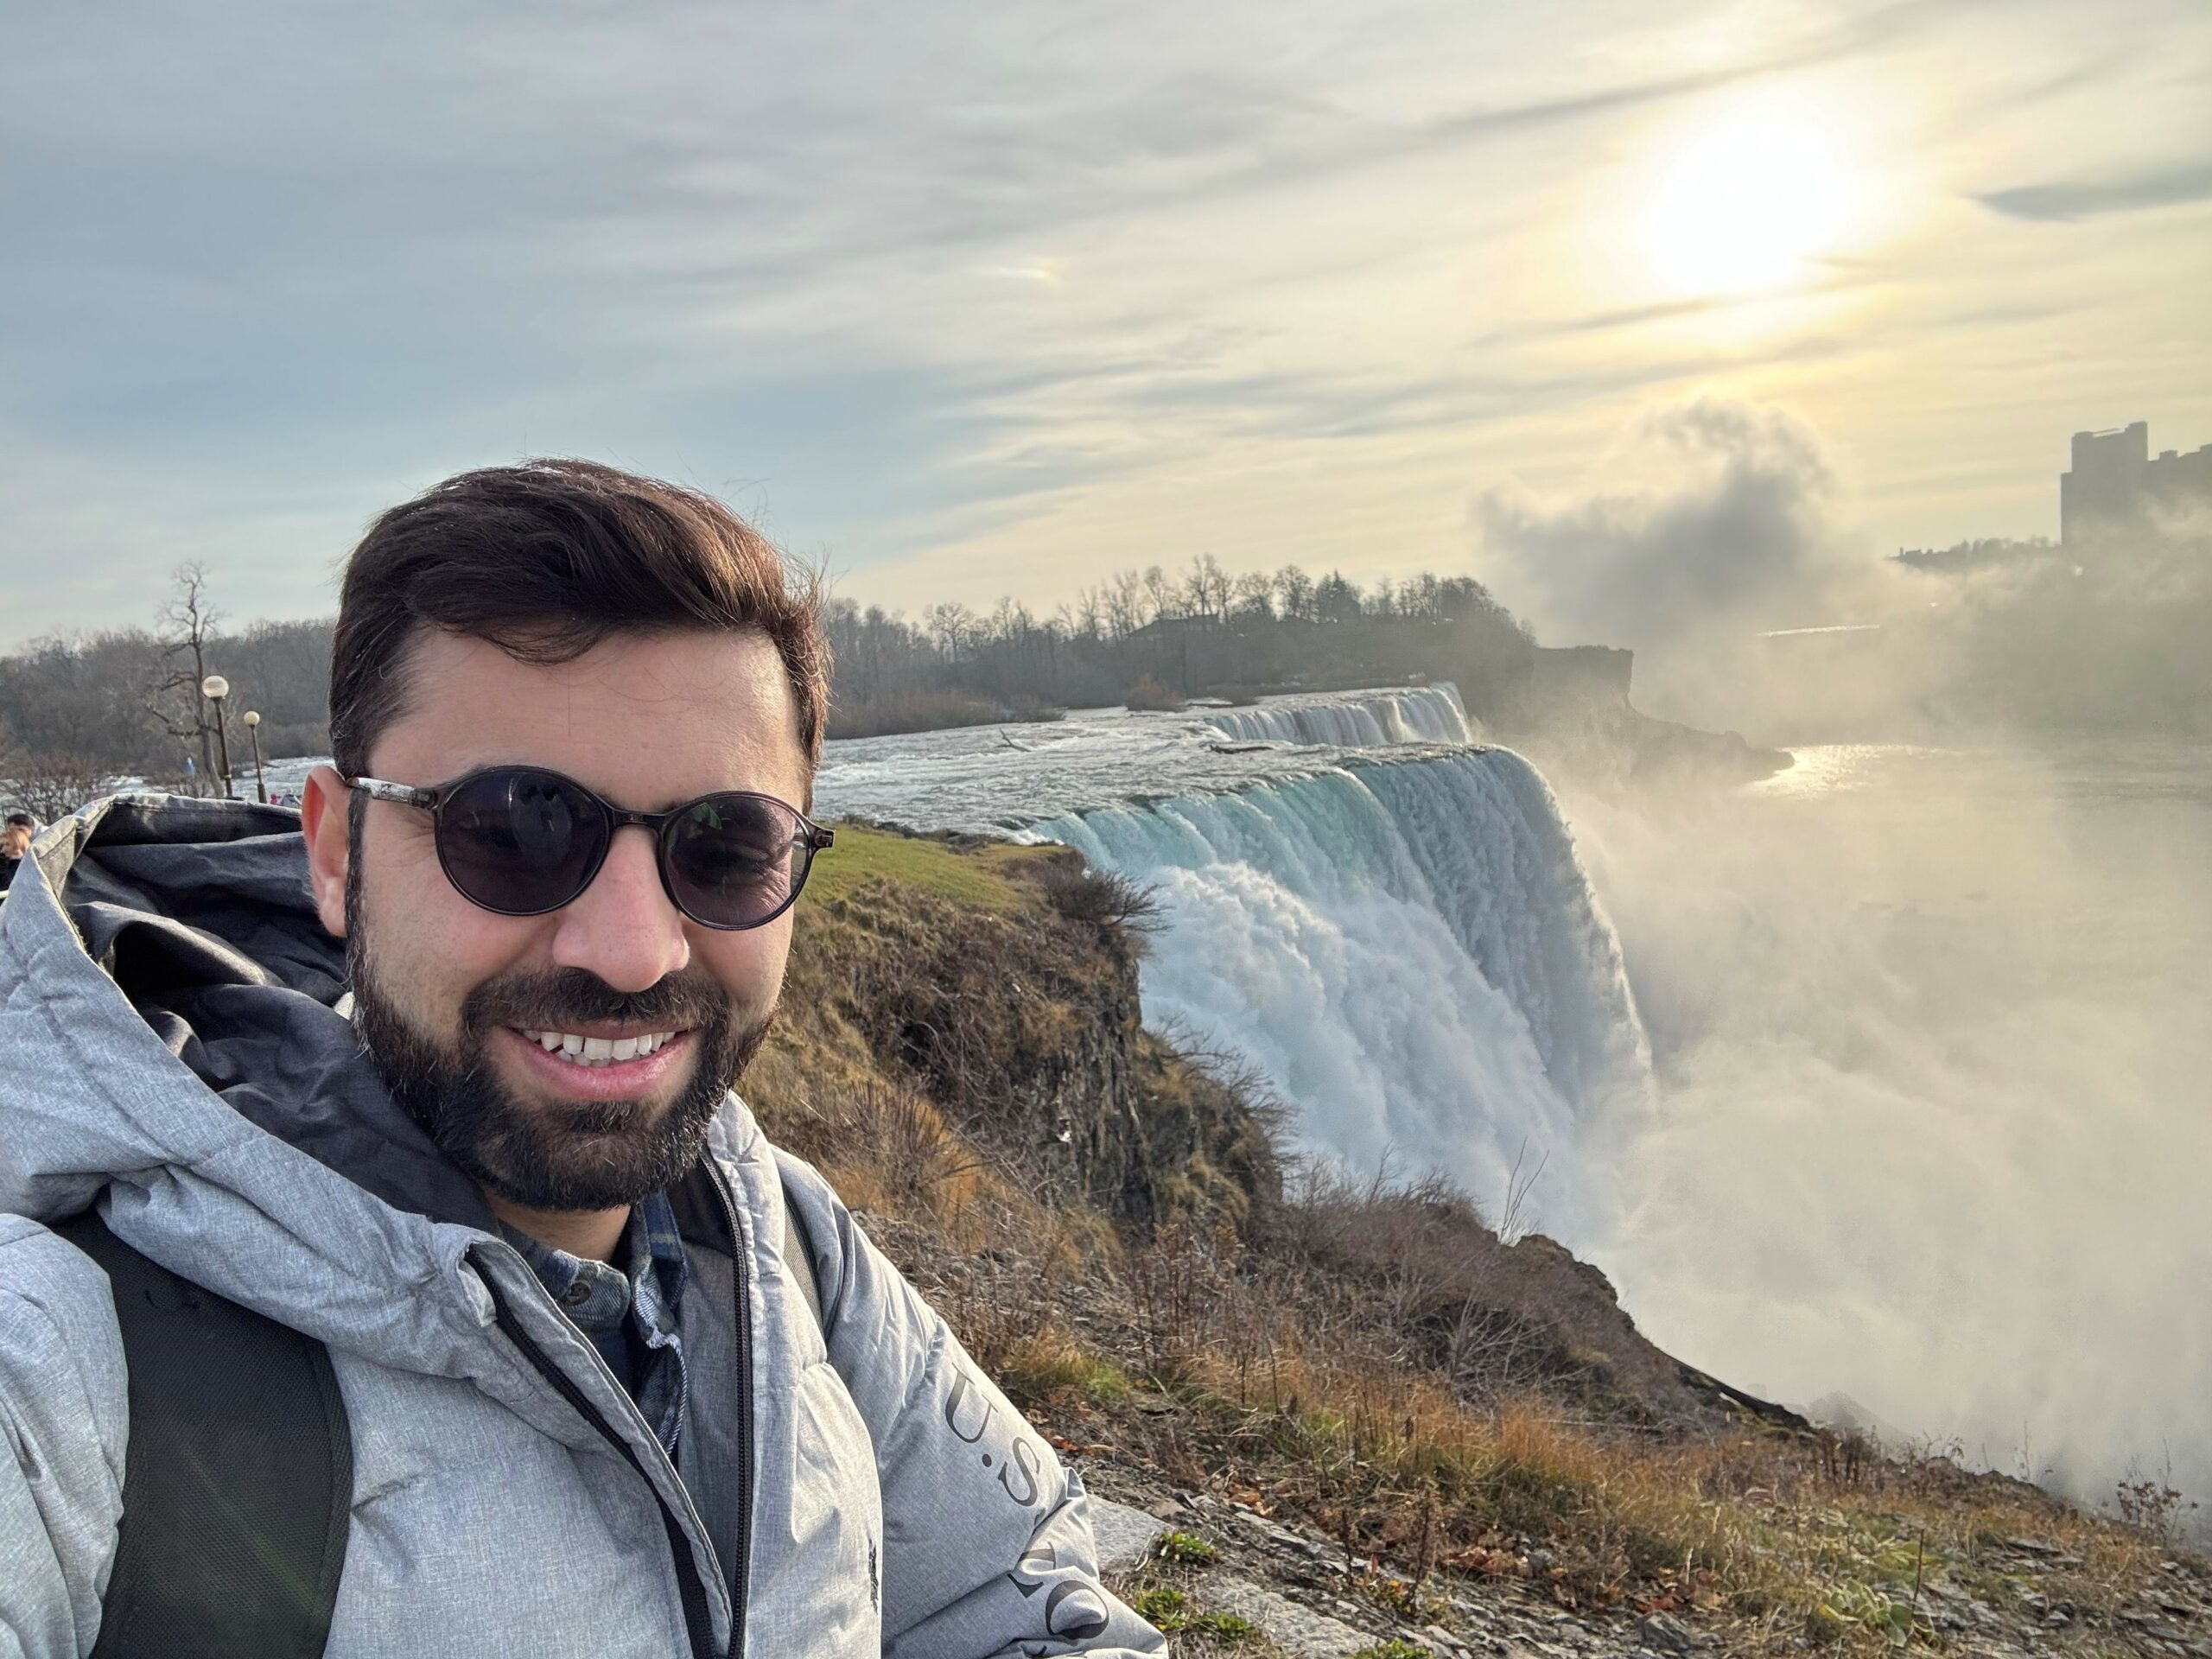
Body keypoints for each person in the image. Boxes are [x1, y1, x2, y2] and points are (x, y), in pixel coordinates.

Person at [0, 461, 1164, 1658]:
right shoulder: (75, 1357)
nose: (631, 950)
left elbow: (1018, 1608)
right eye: (514, 828)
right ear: (336, 852)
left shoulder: (781, 1248)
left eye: (726, 845)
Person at [0, 811, 31, 893]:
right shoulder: (6, 860)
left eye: (7, 844)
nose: (3, 849)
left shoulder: (22, 864)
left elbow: (10, 885)